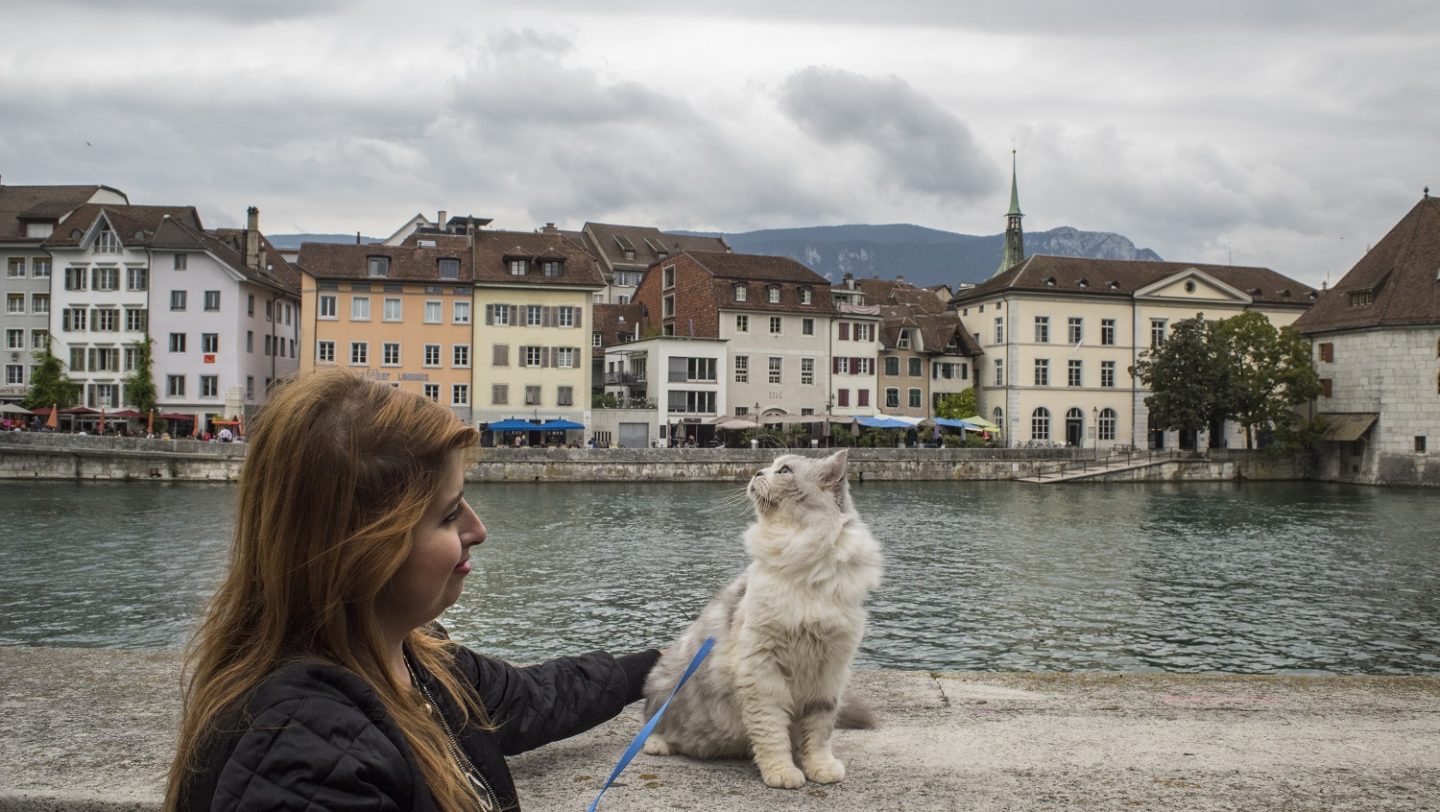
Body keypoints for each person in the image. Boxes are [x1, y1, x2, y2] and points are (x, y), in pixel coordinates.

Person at [165, 368, 659, 811]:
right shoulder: (302, 754)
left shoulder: (414, 660)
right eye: (449, 515)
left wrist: (667, 664)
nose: (477, 530)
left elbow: (532, 699)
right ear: (364, 547)